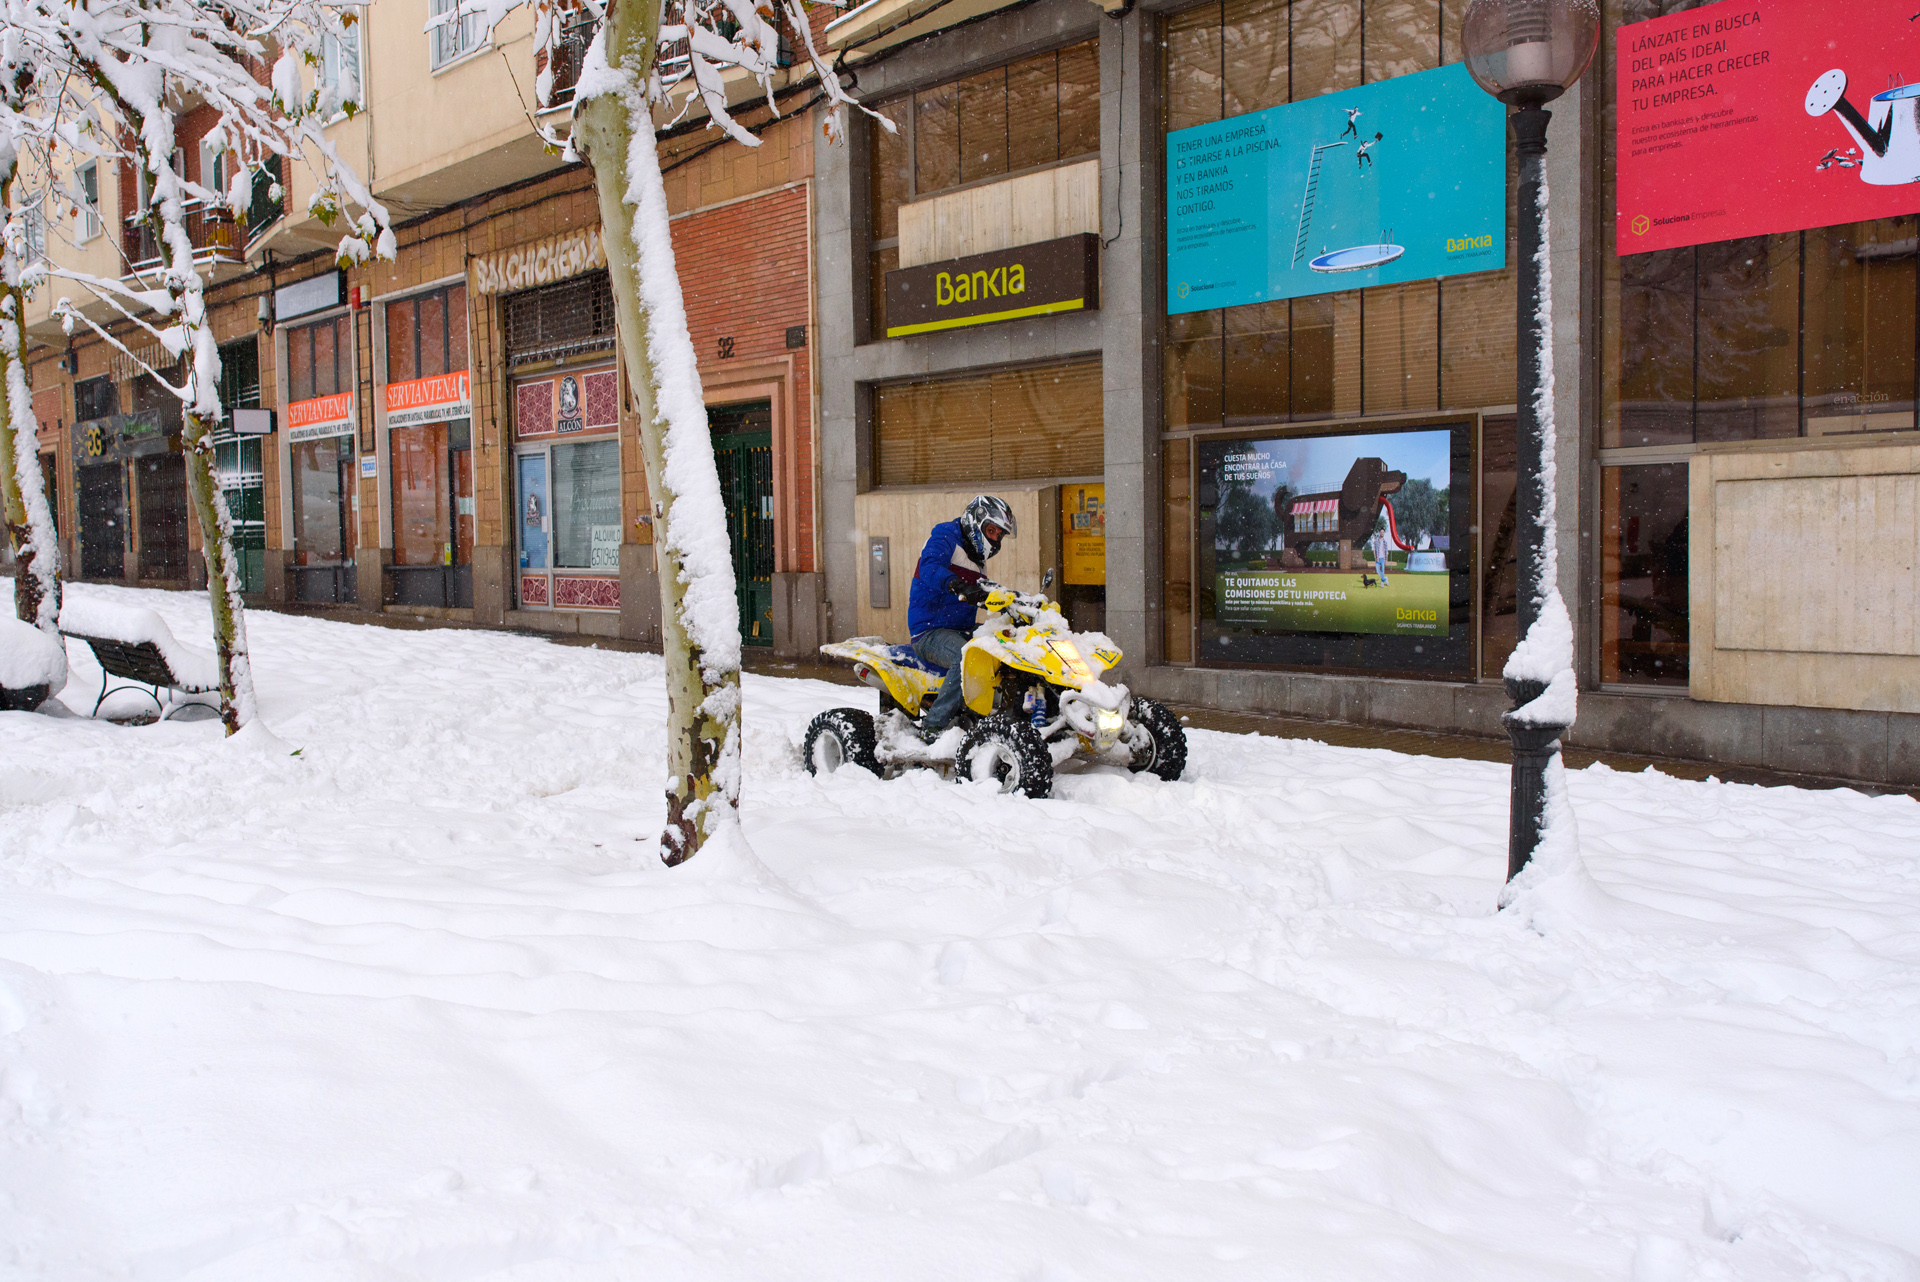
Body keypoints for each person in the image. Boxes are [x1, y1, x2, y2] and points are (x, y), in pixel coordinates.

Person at [907, 494, 1016, 736]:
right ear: (975, 522)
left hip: (960, 628)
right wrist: (955, 584)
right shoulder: (945, 537)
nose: (994, 538)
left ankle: (1001, 713)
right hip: (929, 630)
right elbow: (929, 566)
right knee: (966, 657)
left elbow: (982, 592)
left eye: (999, 534)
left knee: (1006, 645)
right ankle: (933, 726)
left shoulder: (977, 558)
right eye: (991, 530)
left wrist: (1013, 602)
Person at [1369, 519, 1392, 587]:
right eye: (1381, 532)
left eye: (1383, 532)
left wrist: (1386, 560)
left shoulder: (1385, 542)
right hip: (1378, 559)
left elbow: (1386, 552)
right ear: (1379, 533)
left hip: (1383, 558)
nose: (1382, 533)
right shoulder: (1376, 541)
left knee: (1382, 571)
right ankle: (1385, 579)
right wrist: (1375, 557)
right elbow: (1374, 550)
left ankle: (1382, 582)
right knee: (1378, 571)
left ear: (1384, 533)